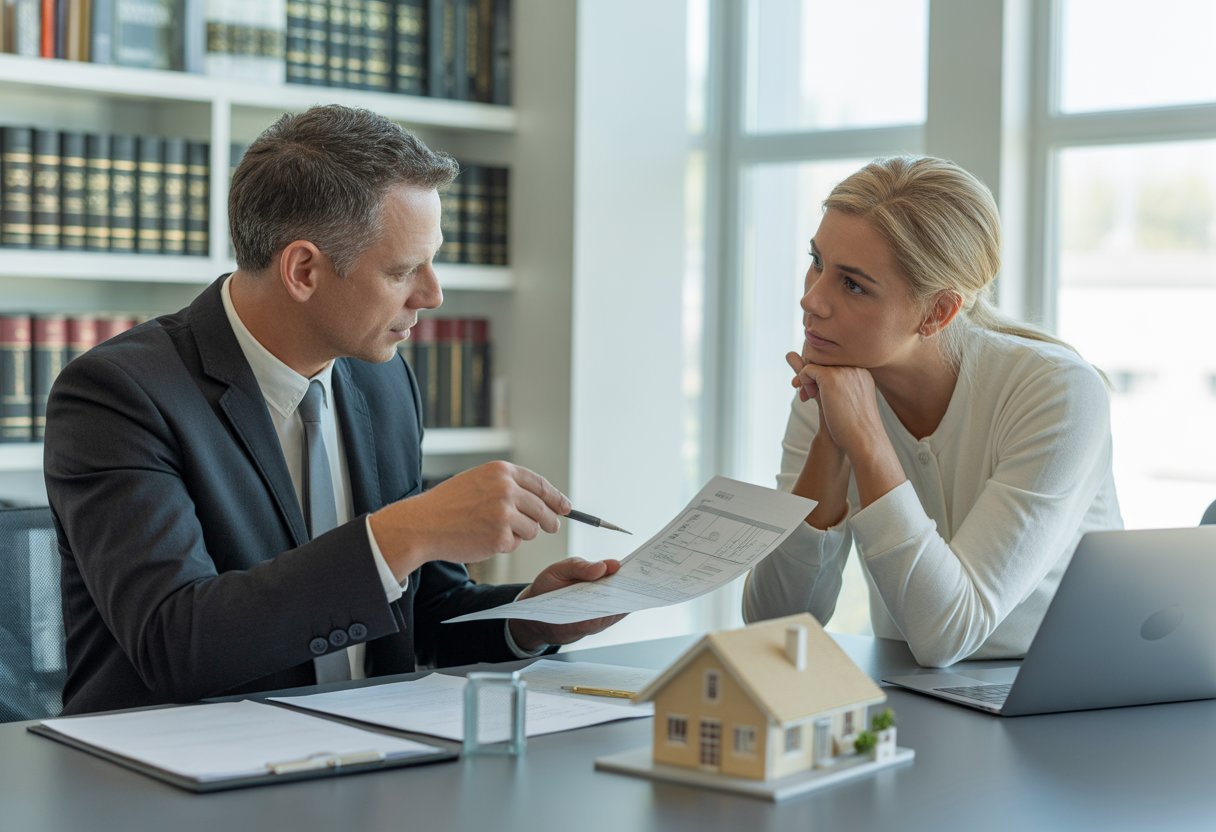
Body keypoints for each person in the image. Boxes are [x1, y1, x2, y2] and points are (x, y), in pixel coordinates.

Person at [44, 105, 622, 715]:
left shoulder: (384, 380)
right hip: (174, 783)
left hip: (369, 757)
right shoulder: (118, 394)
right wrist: (406, 531)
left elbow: (413, 616)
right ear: (303, 270)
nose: (433, 294)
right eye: (404, 270)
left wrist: (532, 620)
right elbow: (176, 643)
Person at [742, 156, 1123, 667]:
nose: (812, 299)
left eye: (852, 284)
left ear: (937, 312)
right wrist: (831, 445)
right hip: (919, 695)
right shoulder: (834, 380)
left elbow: (948, 633)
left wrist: (867, 442)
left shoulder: (1058, 393)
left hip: (1075, 699)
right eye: (816, 262)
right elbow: (774, 622)